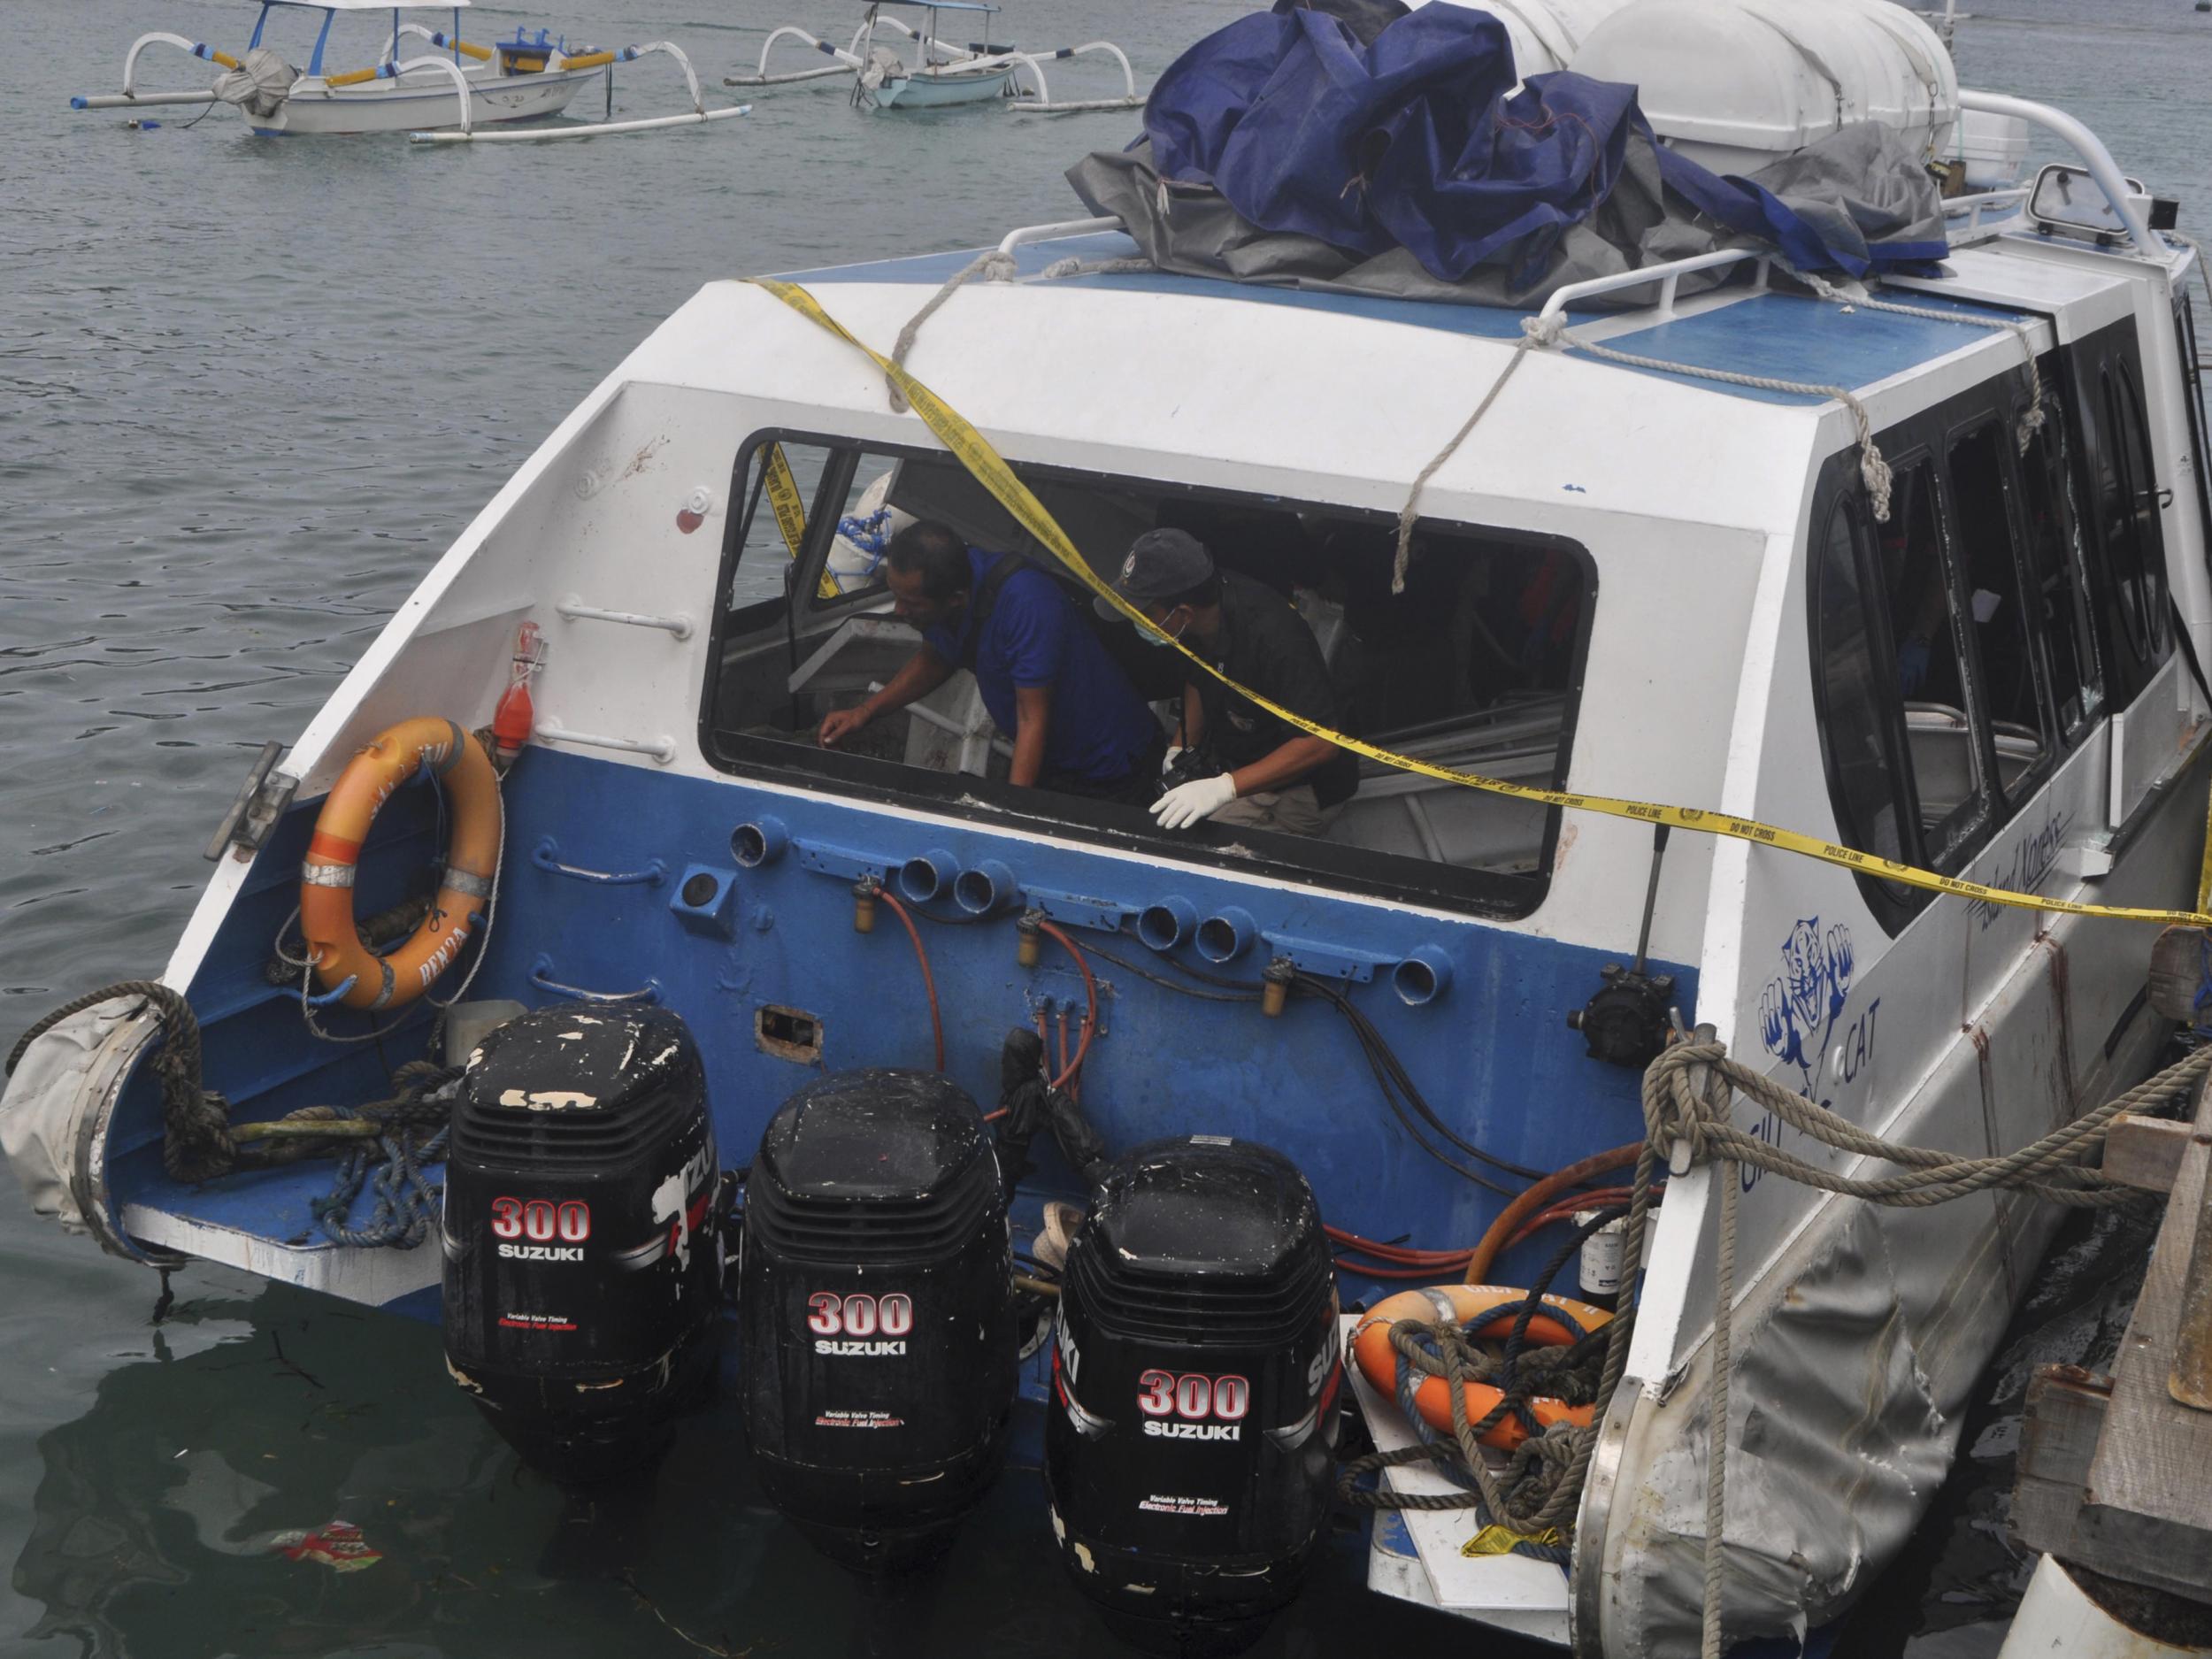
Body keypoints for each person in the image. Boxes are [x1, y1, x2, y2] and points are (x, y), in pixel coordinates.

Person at [818, 519, 1167, 803]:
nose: (899, 611)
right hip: (1052, 761)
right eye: (896, 596)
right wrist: (864, 713)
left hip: (1113, 767)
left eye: (911, 603)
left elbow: (1032, 717)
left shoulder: (1027, 604)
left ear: (955, 599)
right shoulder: (955, 587)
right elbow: (937, 658)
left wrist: (1008, 819)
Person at [1096, 528, 1359, 834]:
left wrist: (1223, 789)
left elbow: (1322, 743)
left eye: (1143, 613)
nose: (1136, 621)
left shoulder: (1274, 638)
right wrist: (1181, 748)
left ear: (1183, 613)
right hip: (1238, 755)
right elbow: (1200, 674)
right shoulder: (1197, 616)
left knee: (1194, 848)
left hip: (1300, 785)